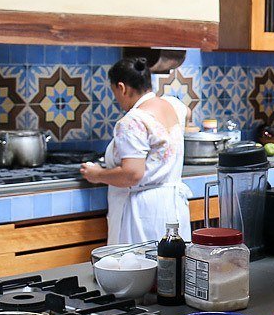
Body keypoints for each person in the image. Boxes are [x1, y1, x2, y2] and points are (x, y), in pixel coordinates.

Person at [81, 57, 192, 244]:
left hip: (143, 214)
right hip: (173, 206)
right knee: (173, 267)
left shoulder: (132, 121)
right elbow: (188, 112)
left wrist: (98, 174)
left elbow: (132, 173)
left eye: (114, 91)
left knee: (141, 269)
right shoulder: (172, 105)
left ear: (122, 88)